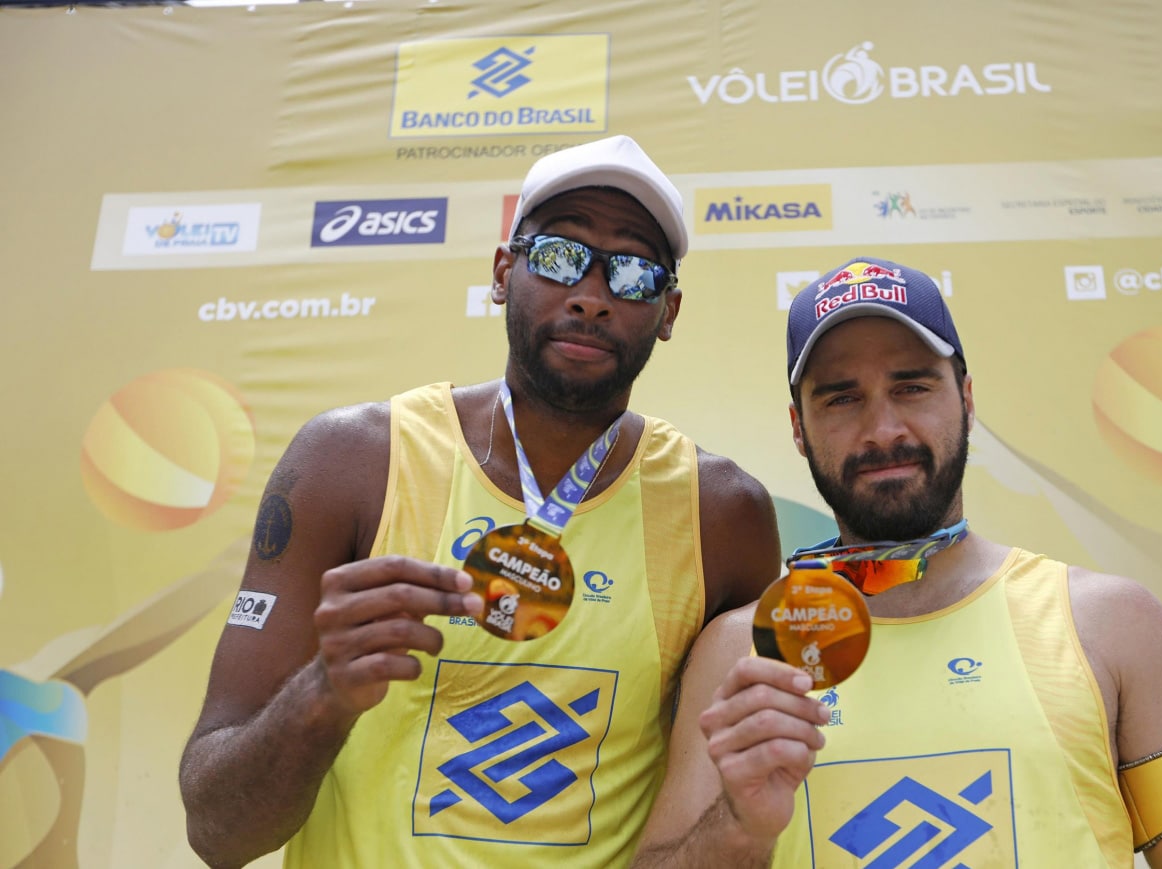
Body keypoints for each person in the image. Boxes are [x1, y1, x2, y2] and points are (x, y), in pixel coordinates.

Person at [178, 135, 782, 868]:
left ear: (668, 310)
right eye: (560, 254)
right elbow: (216, 831)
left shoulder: (722, 516)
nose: (591, 295)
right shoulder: (353, 462)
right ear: (503, 272)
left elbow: (714, 812)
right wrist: (323, 693)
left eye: (632, 271)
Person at [631, 257, 1162, 868]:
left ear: (966, 397)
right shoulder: (745, 650)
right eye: (842, 398)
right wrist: (738, 827)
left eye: (912, 386)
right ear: (799, 427)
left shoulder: (1109, 625)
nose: (883, 429)